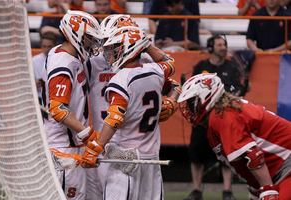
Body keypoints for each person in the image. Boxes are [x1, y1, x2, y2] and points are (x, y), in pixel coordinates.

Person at [81, 26, 180, 200]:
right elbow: (169, 64)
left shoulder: (121, 78)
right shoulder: (155, 70)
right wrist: (172, 100)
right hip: (151, 158)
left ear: (130, 48)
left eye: (117, 47)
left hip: (125, 158)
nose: (111, 52)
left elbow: (115, 118)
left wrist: (97, 147)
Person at [178, 73, 291, 200]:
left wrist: (267, 190)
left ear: (207, 95)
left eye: (192, 101)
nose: (188, 108)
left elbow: (252, 155)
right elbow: (243, 164)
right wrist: (256, 190)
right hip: (280, 171)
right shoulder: (215, 121)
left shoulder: (223, 115)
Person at [41, 10, 103, 199]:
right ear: (75, 35)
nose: (92, 43)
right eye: (88, 38)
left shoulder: (64, 54)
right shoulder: (63, 64)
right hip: (64, 148)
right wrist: (85, 133)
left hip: (73, 144)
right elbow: (57, 108)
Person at [183, 35, 247, 200]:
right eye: (219, 45)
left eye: (224, 44)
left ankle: (227, 191)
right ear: (211, 48)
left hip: (223, 116)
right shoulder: (201, 66)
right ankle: (197, 190)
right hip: (202, 118)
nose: (223, 47)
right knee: (196, 154)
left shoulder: (232, 67)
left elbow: (240, 88)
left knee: (227, 154)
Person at [32, 31, 57, 106]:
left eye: (49, 46)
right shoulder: (34, 61)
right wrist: (35, 84)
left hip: (57, 98)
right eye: (44, 46)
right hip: (40, 99)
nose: (46, 49)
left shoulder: (61, 59)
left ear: (55, 45)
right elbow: (29, 85)